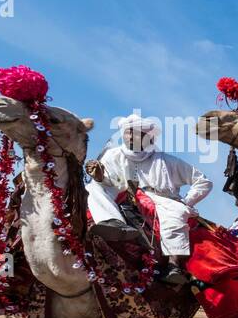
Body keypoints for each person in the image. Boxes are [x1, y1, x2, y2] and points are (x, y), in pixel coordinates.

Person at [87, 114, 212, 273]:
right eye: (128, 132)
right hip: (124, 196)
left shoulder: (167, 161)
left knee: (176, 213)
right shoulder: (112, 155)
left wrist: (187, 201)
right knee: (94, 187)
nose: (131, 136)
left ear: (148, 137)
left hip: (161, 201)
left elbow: (203, 182)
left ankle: (174, 264)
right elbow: (110, 183)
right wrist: (99, 177)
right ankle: (112, 222)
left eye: (137, 132)